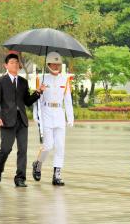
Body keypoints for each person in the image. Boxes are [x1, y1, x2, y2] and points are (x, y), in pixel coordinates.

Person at [0, 53, 45, 187]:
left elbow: (27, 101)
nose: (15, 64)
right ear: (6, 65)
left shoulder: (23, 82)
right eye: (12, 62)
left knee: (23, 150)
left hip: (21, 121)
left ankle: (20, 178)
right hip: (6, 121)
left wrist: (38, 93)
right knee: (6, 149)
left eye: (17, 62)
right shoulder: (0, 81)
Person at [32, 52, 74, 186]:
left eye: (58, 64)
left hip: (59, 113)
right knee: (48, 145)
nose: (56, 66)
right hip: (46, 113)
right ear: (48, 64)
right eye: (53, 64)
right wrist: (36, 115)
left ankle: (57, 174)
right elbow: (37, 100)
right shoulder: (41, 78)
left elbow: (67, 99)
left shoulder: (65, 79)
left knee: (60, 146)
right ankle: (38, 163)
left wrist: (70, 117)